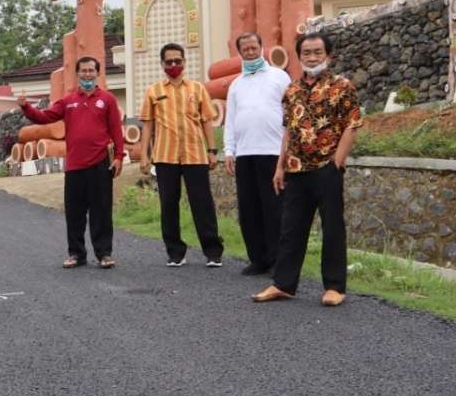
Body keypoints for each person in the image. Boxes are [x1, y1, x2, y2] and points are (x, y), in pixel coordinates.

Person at [253, 31, 363, 307]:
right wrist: (280, 167)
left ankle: (334, 287)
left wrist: (337, 161)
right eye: (306, 53)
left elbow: (353, 124)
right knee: (290, 228)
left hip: (327, 167)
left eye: (317, 52)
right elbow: (288, 131)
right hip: (296, 169)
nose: (312, 57)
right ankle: (284, 284)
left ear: (328, 55)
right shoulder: (292, 90)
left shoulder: (342, 86)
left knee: (333, 227)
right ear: (299, 56)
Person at [17, 56, 125, 269]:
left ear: (97, 73)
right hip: (75, 165)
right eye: (83, 71)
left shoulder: (108, 99)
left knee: (101, 212)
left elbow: (116, 131)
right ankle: (76, 254)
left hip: (101, 164)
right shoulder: (68, 101)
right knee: (75, 213)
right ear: (77, 74)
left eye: (91, 71)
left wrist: (120, 157)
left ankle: (104, 254)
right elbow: (44, 117)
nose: (87, 74)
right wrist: (26, 107)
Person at [136, 43, 224, 268]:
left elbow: (206, 121)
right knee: (168, 204)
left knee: (202, 203)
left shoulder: (197, 89)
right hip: (165, 157)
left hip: (195, 155)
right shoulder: (154, 91)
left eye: (177, 61)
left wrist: (212, 151)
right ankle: (175, 252)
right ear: (162, 64)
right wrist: (144, 155)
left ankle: (213, 251)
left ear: (184, 62)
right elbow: (147, 125)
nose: (173, 65)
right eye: (169, 62)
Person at [224, 32, 291, 276]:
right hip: (245, 154)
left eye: (254, 48)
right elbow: (230, 120)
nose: (250, 52)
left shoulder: (279, 77)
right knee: (249, 209)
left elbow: (291, 113)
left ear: (262, 48)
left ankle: (277, 260)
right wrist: (229, 150)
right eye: (246, 49)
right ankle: (258, 259)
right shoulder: (236, 84)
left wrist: (288, 149)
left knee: (274, 208)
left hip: (272, 152)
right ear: (240, 52)